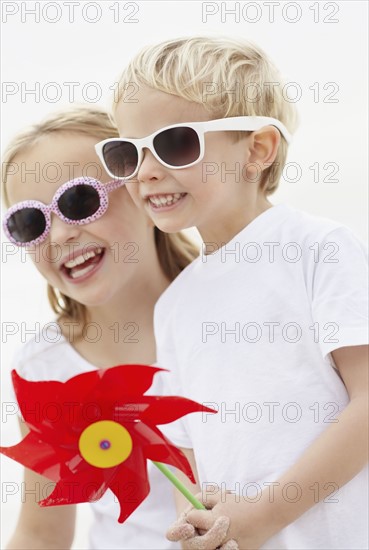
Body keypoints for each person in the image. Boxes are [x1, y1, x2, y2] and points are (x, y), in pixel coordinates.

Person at [96, 36, 369, 549]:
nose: (147, 170)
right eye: (127, 153)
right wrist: (196, 525)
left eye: (176, 142)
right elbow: (185, 448)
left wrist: (263, 517)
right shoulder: (174, 305)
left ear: (258, 150)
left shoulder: (319, 249)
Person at [1, 105, 200, 550]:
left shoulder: (233, 315)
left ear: (146, 191)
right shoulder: (43, 370)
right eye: (30, 222)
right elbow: (41, 534)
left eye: (78, 201)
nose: (59, 236)